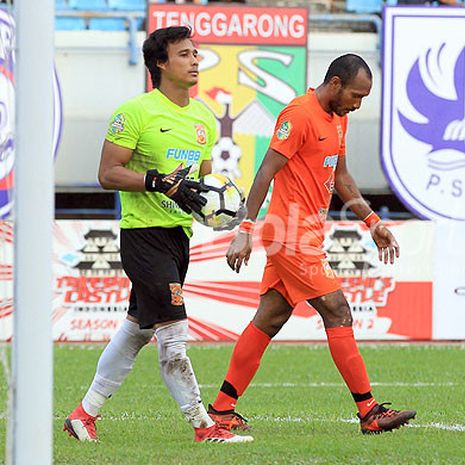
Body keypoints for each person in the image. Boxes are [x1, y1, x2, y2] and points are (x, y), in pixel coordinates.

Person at [207, 54, 416, 436]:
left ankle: (222, 408)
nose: (358, 104)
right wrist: (244, 229)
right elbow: (265, 171)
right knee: (337, 310)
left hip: (307, 233)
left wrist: (372, 221)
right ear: (334, 83)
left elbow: (341, 176)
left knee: (269, 318)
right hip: (289, 236)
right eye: (356, 95)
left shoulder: (339, 118)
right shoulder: (299, 114)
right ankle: (369, 412)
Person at [63, 26, 252, 444]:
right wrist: (154, 181)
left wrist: (216, 206)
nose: (195, 60)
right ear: (161, 64)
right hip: (143, 237)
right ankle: (205, 427)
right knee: (174, 336)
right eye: (185, 54)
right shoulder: (135, 112)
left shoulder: (203, 118)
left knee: (138, 329)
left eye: (196, 53)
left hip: (177, 238)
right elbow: (107, 173)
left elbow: (201, 186)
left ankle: (83, 416)